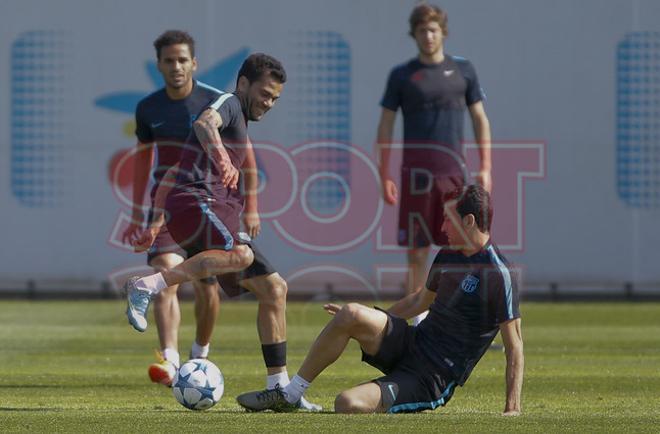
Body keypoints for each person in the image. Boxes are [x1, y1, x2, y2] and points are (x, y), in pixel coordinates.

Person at [125, 52, 320, 410]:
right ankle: (146, 285)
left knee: (274, 288)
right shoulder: (228, 103)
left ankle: (279, 388)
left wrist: (153, 223)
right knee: (240, 255)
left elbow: (171, 173)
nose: (269, 103)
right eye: (264, 94)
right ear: (244, 84)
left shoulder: (240, 122)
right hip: (197, 203)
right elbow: (204, 124)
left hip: (204, 207)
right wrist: (222, 157)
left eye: (275, 98)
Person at [236, 185, 524, 415]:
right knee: (350, 313)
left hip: (431, 378)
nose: (443, 226)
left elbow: (515, 347)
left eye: (449, 218)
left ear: (469, 221)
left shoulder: (498, 273)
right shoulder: (448, 255)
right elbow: (418, 302)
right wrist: (370, 317)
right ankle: (291, 394)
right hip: (413, 342)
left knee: (347, 404)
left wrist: (512, 408)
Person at [122, 30, 232, 386]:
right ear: (159, 65)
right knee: (165, 276)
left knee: (207, 287)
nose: (176, 66)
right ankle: (169, 360)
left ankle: (199, 356)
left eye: (182, 59)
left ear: (194, 63)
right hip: (166, 206)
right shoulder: (148, 108)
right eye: (169, 60)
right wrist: (140, 214)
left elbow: (237, 157)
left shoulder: (214, 103)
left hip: (208, 204)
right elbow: (142, 162)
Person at [376, 4, 492, 325]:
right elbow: (385, 126)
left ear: (443, 32)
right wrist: (383, 173)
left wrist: (486, 166)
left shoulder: (463, 71)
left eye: (433, 30)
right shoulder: (402, 75)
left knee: (460, 251)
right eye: (422, 31)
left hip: (453, 177)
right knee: (416, 251)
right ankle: (416, 324)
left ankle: (458, 319)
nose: (428, 36)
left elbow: (479, 118)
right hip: (415, 177)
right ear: (413, 34)